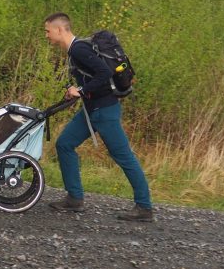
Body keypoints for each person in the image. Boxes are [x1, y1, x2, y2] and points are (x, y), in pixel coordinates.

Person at [43, 12, 155, 222]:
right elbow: (93, 77)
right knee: (65, 144)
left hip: (104, 112)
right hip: (90, 110)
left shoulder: (78, 49)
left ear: (60, 29)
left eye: (48, 31)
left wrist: (82, 92)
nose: (46, 35)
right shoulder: (74, 51)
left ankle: (144, 207)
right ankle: (74, 199)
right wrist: (78, 90)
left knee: (123, 157)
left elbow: (104, 74)